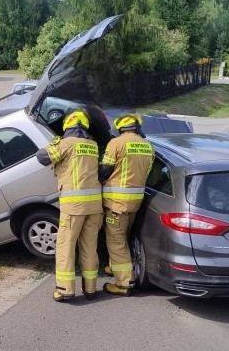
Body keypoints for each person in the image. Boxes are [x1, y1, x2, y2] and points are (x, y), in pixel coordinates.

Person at [36, 110, 103, 302]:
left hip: (74, 208)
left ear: (68, 125)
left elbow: (42, 157)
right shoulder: (93, 145)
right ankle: (90, 289)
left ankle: (65, 289)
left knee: (66, 246)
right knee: (89, 248)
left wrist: (55, 142)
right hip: (94, 207)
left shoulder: (66, 143)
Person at [99, 114, 154, 296]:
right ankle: (116, 267)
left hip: (117, 204)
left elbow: (105, 170)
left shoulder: (116, 143)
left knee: (116, 241)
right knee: (123, 237)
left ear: (120, 128)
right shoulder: (147, 146)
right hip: (135, 203)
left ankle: (124, 283)